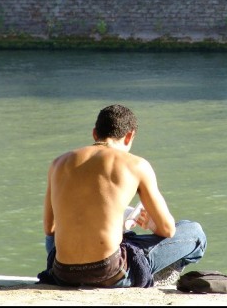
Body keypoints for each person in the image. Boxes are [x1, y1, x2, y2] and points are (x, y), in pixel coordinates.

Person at [38, 104, 207, 288]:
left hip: (62, 273)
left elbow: (49, 229)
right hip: (108, 272)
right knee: (195, 233)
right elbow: (167, 230)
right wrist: (151, 224)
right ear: (129, 136)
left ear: (95, 133)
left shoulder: (58, 163)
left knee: (58, 239)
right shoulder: (136, 165)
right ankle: (154, 275)